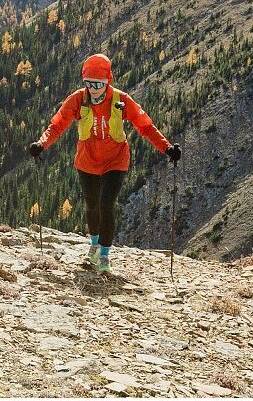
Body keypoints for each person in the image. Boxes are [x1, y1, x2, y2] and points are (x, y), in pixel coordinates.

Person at [26, 53, 181, 273]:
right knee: (92, 206)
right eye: (89, 83)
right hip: (87, 161)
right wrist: (41, 144)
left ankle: (105, 256)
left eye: (98, 84)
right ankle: (94, 244)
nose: (94, 88)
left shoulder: (121, 100)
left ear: (108, 81)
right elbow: (58, 124)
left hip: (115, 160)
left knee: (106, 205)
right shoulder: (78, 99)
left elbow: (145, 126)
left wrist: (166, 148)